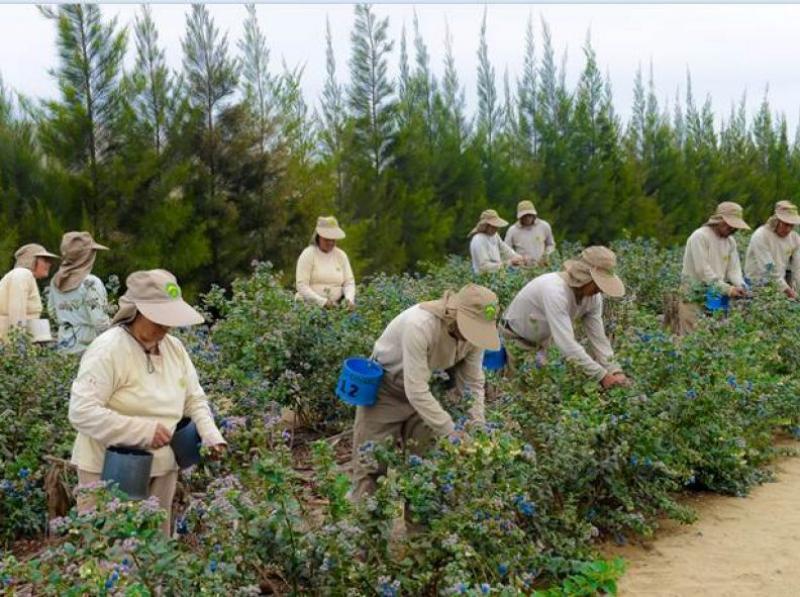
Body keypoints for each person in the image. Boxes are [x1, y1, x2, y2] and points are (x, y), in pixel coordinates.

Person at [68, 269, 226, 536]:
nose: (166, 327)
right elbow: (82, 412)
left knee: (154, 553)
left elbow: (193, 398)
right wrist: (143, 432)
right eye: (159, 319)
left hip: (162, 468)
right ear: (138, 311)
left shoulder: (174, 349)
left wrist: (210, 436)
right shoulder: (109, 349)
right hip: (110, 468)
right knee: (112, 554)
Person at [351, 283, 499, 501]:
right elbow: (415, 389)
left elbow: (472, 383)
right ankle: (363, 529)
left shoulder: (474, 338)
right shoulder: (421, 324)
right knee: (371, 464)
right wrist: (450, 431)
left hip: (426, 392)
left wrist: (477, 426)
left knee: (426, 468)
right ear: (456, 315)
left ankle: (418, 534)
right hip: (387, 389)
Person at [501, 246, 629, 389]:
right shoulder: (555, 290)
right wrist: (602, 376)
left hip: (544, 342)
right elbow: (566, 344)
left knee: (549, 390)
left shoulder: (593, 298)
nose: (601, 289)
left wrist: (615, 370)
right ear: (586, 277)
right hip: (516, 338)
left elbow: (599, 339)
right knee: (521, 392)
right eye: (598, 284)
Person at [48, 231, 111, 354]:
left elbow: (51, 311)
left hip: (64, 343)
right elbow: (100, 321)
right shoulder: (91, 282)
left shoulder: (56, 280)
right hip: (88, 348)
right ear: (86, 256)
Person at [681, 201, 750, 298]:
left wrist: (741, 286)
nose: (733, 228)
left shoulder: (730, 242)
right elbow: (702, 271)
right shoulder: (700, 236)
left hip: (716, 296)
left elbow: (734, 270)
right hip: (693, 296)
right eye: (729, 224)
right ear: (719, 220)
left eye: (735, 226)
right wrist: (728, 289)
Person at [0, 243, 59, 341]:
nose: (49, 264)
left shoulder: (25, 277)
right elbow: (16, 312)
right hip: (7, 344)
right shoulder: (22, 274)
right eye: (45, 260)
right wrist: (18, 344)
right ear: (31, 260)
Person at [295, 216, 356, 308]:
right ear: (318, 237)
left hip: (337, 307)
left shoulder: (341, 255)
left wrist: (349, 300)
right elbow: (301, 285)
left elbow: (349, 283)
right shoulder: (308, 254)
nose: (330, 242)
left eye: (333, 239)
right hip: (309, 307)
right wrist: (322, 302)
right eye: (327, 239)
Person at [744, 200, 800, 299]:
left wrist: (796, 289)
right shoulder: (761, 235)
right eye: (786, 224)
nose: (788, 229)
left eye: (792, 225)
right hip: (756, 285)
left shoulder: (794, 238)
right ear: (777, 220)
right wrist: (788, 291)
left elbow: (797, 268)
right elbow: (768, 270)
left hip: (779, 285)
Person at [469, 209, 524, 274]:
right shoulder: (478, 240)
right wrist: (509, 263)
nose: (496, 228)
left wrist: (517, 257)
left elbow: (505, 249)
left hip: (497, 274)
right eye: (493, 226)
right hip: (483, 278)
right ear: (485, 226)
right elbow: (484, 267)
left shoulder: (495, 236)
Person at [504, 200, 556, 266]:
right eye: (524, 216)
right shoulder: (512, 230)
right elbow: (506, 249)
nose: (527, 218)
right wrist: (516, 258)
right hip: (521, 269)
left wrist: (546, 255)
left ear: (534, 215)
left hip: (542, 267)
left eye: (529, 215)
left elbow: (551, 244)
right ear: (520, 217)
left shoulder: (544, 226)